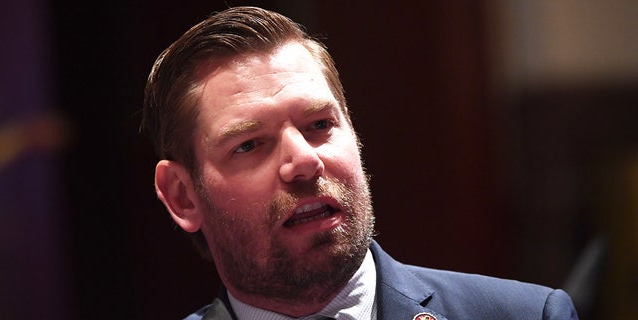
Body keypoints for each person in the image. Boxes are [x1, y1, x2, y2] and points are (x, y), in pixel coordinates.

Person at [141, 6, 579, 320]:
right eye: (250, 145)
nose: (304, 161)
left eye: (318, 124)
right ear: (182, 196)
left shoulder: (528, 314)